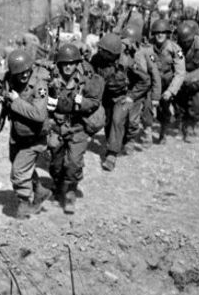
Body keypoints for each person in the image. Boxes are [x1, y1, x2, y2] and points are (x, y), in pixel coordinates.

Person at [0, 49, 50, 219]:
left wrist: (15, 101)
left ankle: (24, 204)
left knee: (19, 172)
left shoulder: (40, 85)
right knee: (19, 165)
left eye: (26, 71)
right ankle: (39, 191)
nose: (23, 76)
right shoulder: (10, 76)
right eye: (19, 73)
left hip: (35, 137)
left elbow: (39, 114)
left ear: (31, 68)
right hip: (18, 134)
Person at [46, 43, 104, 214]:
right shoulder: (52, 79)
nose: (68, 66)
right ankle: (58, 185)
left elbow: (94, 101)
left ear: (77, 63)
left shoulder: (86, 79)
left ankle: (71, 191)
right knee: (56, 164)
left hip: (78, 127)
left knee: (74, 163)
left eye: (72, 63)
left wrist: (81, 103)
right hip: (57, 127)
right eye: (64, 63)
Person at [93, 32, 150, 171]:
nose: (100, 53)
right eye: (100, 50)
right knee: (107, 121)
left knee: (117, 120)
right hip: (106, 96)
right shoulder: (96, 59)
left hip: (123, 97)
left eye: (105, 51)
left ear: (113, 54)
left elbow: (145, 80)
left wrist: (131, 96)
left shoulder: (127, 62)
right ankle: (114, 142)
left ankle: (112, 155)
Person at [147, 19, 186, 144]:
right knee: (147, 107)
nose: (160, 35)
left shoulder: (175, 49)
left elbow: (180, 73)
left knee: (169, 108)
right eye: (157, 32)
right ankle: (147, 133)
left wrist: (171, 91)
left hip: (169, 83)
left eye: (163, 32)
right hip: (152, 83)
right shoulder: (148, 47)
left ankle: (165, 132)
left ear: (168, 33)